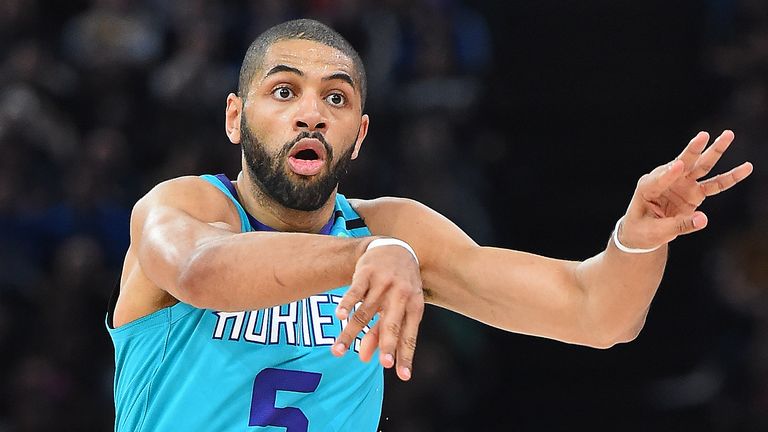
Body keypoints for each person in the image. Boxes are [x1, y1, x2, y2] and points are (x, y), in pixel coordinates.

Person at [106, 19, 754, 431]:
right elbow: (202, 272)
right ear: (233, 119)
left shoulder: (391, 230)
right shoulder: (182, 207)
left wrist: (635, 239)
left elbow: (596, 314)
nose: (311, 114)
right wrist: (363, 258)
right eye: (283, 92)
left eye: (336, 97)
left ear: (357, 136)